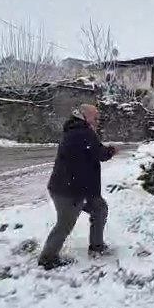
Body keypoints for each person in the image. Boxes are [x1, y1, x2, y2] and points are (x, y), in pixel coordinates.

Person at [38, 104, 117, 270]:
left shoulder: (76, 130)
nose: (96, 119)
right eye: (94, 116)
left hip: (79, 188)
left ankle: (96, 246)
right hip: (69, 190)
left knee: (99, 209)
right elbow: (98, 153)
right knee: (65, 224)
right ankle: (47, 258)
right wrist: (110, 151)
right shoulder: (82, 133)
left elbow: (90, 152)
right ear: (85, 115)